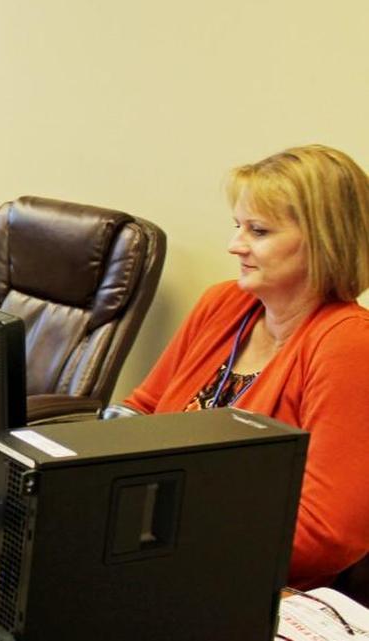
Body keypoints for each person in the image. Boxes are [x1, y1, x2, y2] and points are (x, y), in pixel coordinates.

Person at [122, 144, 369, 589]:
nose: (235, 246)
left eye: (258, 231)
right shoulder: (225, 303)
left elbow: (326, 536)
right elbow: (142, 410)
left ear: (325, 240)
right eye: (238, 226)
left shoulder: (349, 344)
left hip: (253, 585)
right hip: (150, 555)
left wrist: (162, 535)